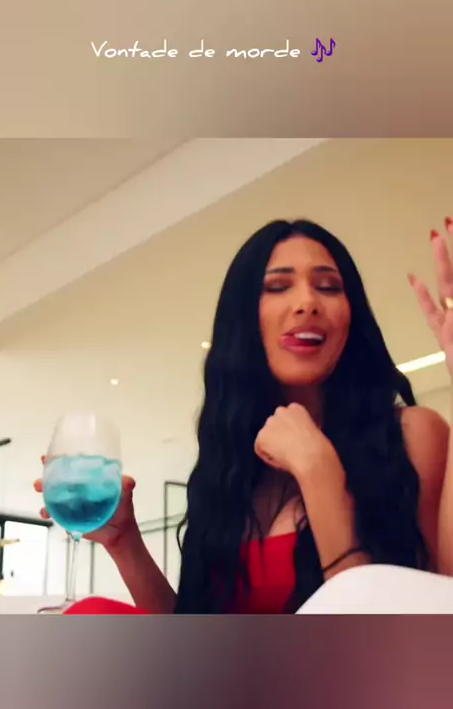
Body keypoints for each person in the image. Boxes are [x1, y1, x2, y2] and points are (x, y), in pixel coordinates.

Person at [35, 217, 453, 614]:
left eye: (328, 287)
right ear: (244, 319)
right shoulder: (231, 465)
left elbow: (398, 639)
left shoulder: (411, 435)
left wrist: (318, 472)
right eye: (278, 287)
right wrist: (125, 544)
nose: (307, 302)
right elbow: (194, 636)